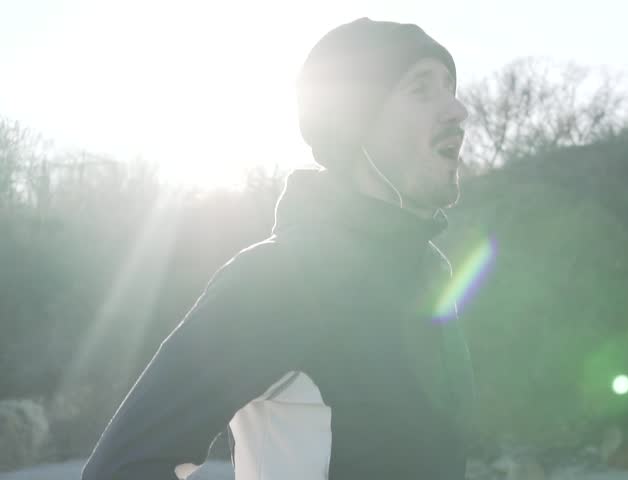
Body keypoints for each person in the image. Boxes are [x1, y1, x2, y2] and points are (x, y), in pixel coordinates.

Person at [81, 17, 475, 480]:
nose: (457, 110)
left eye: (450, 87)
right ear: (353, 124)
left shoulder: (432, 272)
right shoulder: (280, 276)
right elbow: (121, 468)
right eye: (420, 90)